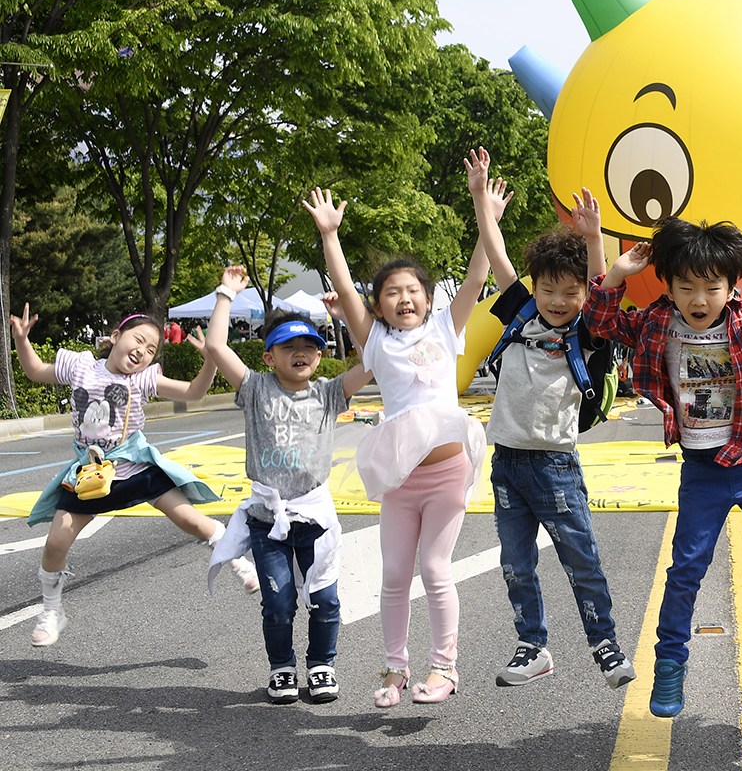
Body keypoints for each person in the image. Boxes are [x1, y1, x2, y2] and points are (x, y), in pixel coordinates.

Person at [583, 216, 742, 718]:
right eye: (687, 287)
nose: (699, 300)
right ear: (670, 286)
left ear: (731, 288)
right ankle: (669, 665)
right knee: (686, 570)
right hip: (702, 468)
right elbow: (600, 324)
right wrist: (616, 274)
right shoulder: (659, 323)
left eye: (712, 287)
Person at [303, 166, 491, 708]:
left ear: (428, 299)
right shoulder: (376, 342)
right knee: (393, 575)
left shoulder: (443, 329)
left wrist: (482, 205)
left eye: (412, 290)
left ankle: (445, 668)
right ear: (379, 304)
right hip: (401, 478)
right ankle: (394, 670)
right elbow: (343, 286)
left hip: (448, 471)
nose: (403, 297)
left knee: (434, 569)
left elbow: (478, 275)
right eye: (392, 292)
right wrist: (330, 235)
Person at [470, 148, 636, 691]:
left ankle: (605, 645)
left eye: (571, 291)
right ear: (534, 288)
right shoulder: (519, 312)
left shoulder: (586, 329)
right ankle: (532, 646)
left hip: (555, 465)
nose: (559, 300)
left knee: (579, 559)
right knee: (516, 564)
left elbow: (605, 286)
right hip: (507, 465)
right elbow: (498, 260)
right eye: (549, 289)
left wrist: (593, 239)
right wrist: (480, 201)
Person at [11, 306, 255, 648]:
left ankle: (239, 559)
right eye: (138, 340)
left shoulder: (142, 378)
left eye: (151, 349)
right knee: (55, 543)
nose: (142, 351)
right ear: (115, 337)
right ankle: (52, 610)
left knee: (193, 521)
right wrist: (22, 340)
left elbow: (193, 393)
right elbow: (35, 371)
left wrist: (210, 361)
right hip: (91, 474)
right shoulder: (80, 366)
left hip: (136, 468)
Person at [203, 267, 372, 704]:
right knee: (278, 605)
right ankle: (282, 668)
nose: (301, 353)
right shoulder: (255, 389)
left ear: (320, 355)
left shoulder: (329, 393)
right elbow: (216, 346)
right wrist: (226, 293)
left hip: (314, 518)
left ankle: (321, 665)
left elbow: (372, 360)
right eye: (288, 346)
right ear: (268, 357)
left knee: (326, 599)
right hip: (267, 521)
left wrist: (348, 316)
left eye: (309, 347)